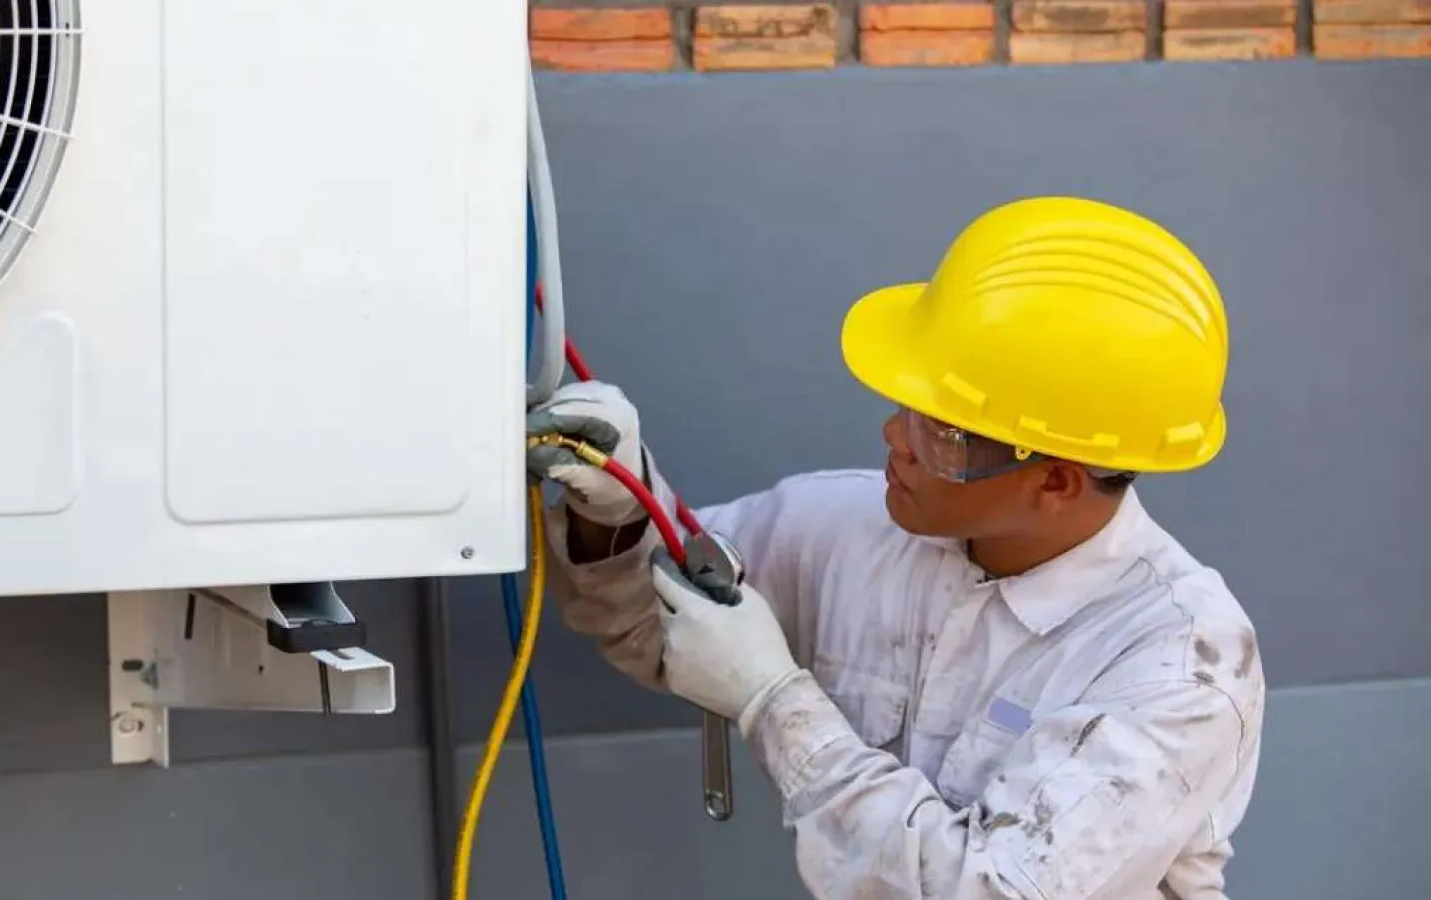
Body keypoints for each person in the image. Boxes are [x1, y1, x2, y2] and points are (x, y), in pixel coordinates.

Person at [525, 196, 1264, 900]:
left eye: (940, 432)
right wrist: (619, 507)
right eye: (911, 404)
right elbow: (651, 627)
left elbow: (989, 888)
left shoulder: (1179, 670)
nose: (895, 439)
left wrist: (775, 701)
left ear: (1058, 481)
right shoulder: (846, 529)